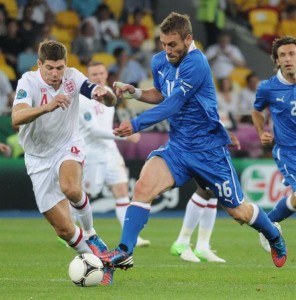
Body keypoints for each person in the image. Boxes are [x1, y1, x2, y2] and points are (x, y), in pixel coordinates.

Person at [98, 12, 287, 273]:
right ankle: (124, 251)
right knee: (143, 187)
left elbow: (175, 102)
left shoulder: (197, 64)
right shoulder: (159, 61)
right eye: (163, 44)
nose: (167, 50)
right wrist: (137, 92)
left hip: (209, 150)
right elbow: (161, 93)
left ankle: (274, 236)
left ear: (188, 38)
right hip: (178, 147)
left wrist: (137, 123)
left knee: (239, 213)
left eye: (172, 44)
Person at [11, 40, 117, 285]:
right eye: (50, 68)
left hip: (67, 144)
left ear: (66, 64)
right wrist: (47, 107)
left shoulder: (73, 77)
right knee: (64, 230)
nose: (56, 74)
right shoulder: (28, 81)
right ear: (40, 65)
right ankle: (100, 262)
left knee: (70, 188)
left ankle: (91, 233)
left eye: (60, 67)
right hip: (37, 158)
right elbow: (17, 116)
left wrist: (106, 96)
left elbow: (105, 99)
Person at [78, 60, 151, 247]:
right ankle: (71, 229)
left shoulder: (109, 93)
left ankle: (131, 236)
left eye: (101, 73)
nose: (99, 77)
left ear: (106, 75)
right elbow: (94, 131)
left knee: (121, 191)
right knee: (86, 194)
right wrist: (124, 137)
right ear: (88, 77)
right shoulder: (84, 99)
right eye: (94, 75)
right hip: (93, 153)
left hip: (110, 152)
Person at [252, 36, 296, 253]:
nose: (288, 59)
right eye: (283, 55)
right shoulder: (268, 88)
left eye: (292, 54)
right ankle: (268, 227)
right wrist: (262, 131)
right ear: (277, 61)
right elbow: (256, 111)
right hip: (288, 152)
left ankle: (266, 225)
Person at [170, 132, 241, 263]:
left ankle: (202, 246)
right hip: (196, 145)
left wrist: (225, 134)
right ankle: (182, 242)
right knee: (205, 190)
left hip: (208, 145)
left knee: (212, 191)